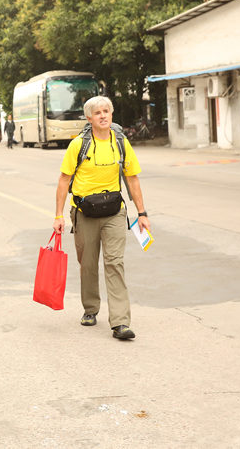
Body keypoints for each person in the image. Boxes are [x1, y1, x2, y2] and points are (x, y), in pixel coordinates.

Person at [52, 96, 150, 341]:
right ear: (89, 118)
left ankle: (120, 322)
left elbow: (132, 178)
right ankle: (90, 308)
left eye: (106, 111)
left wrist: (142, 213)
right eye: (98, 113)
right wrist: (58, 215)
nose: (103, 116)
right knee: (87, 264)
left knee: (114, 262)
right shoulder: (79, 145)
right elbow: (64, 180)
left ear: (111, 114)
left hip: (114, 212)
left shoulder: (121, 142)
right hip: (84, 212)